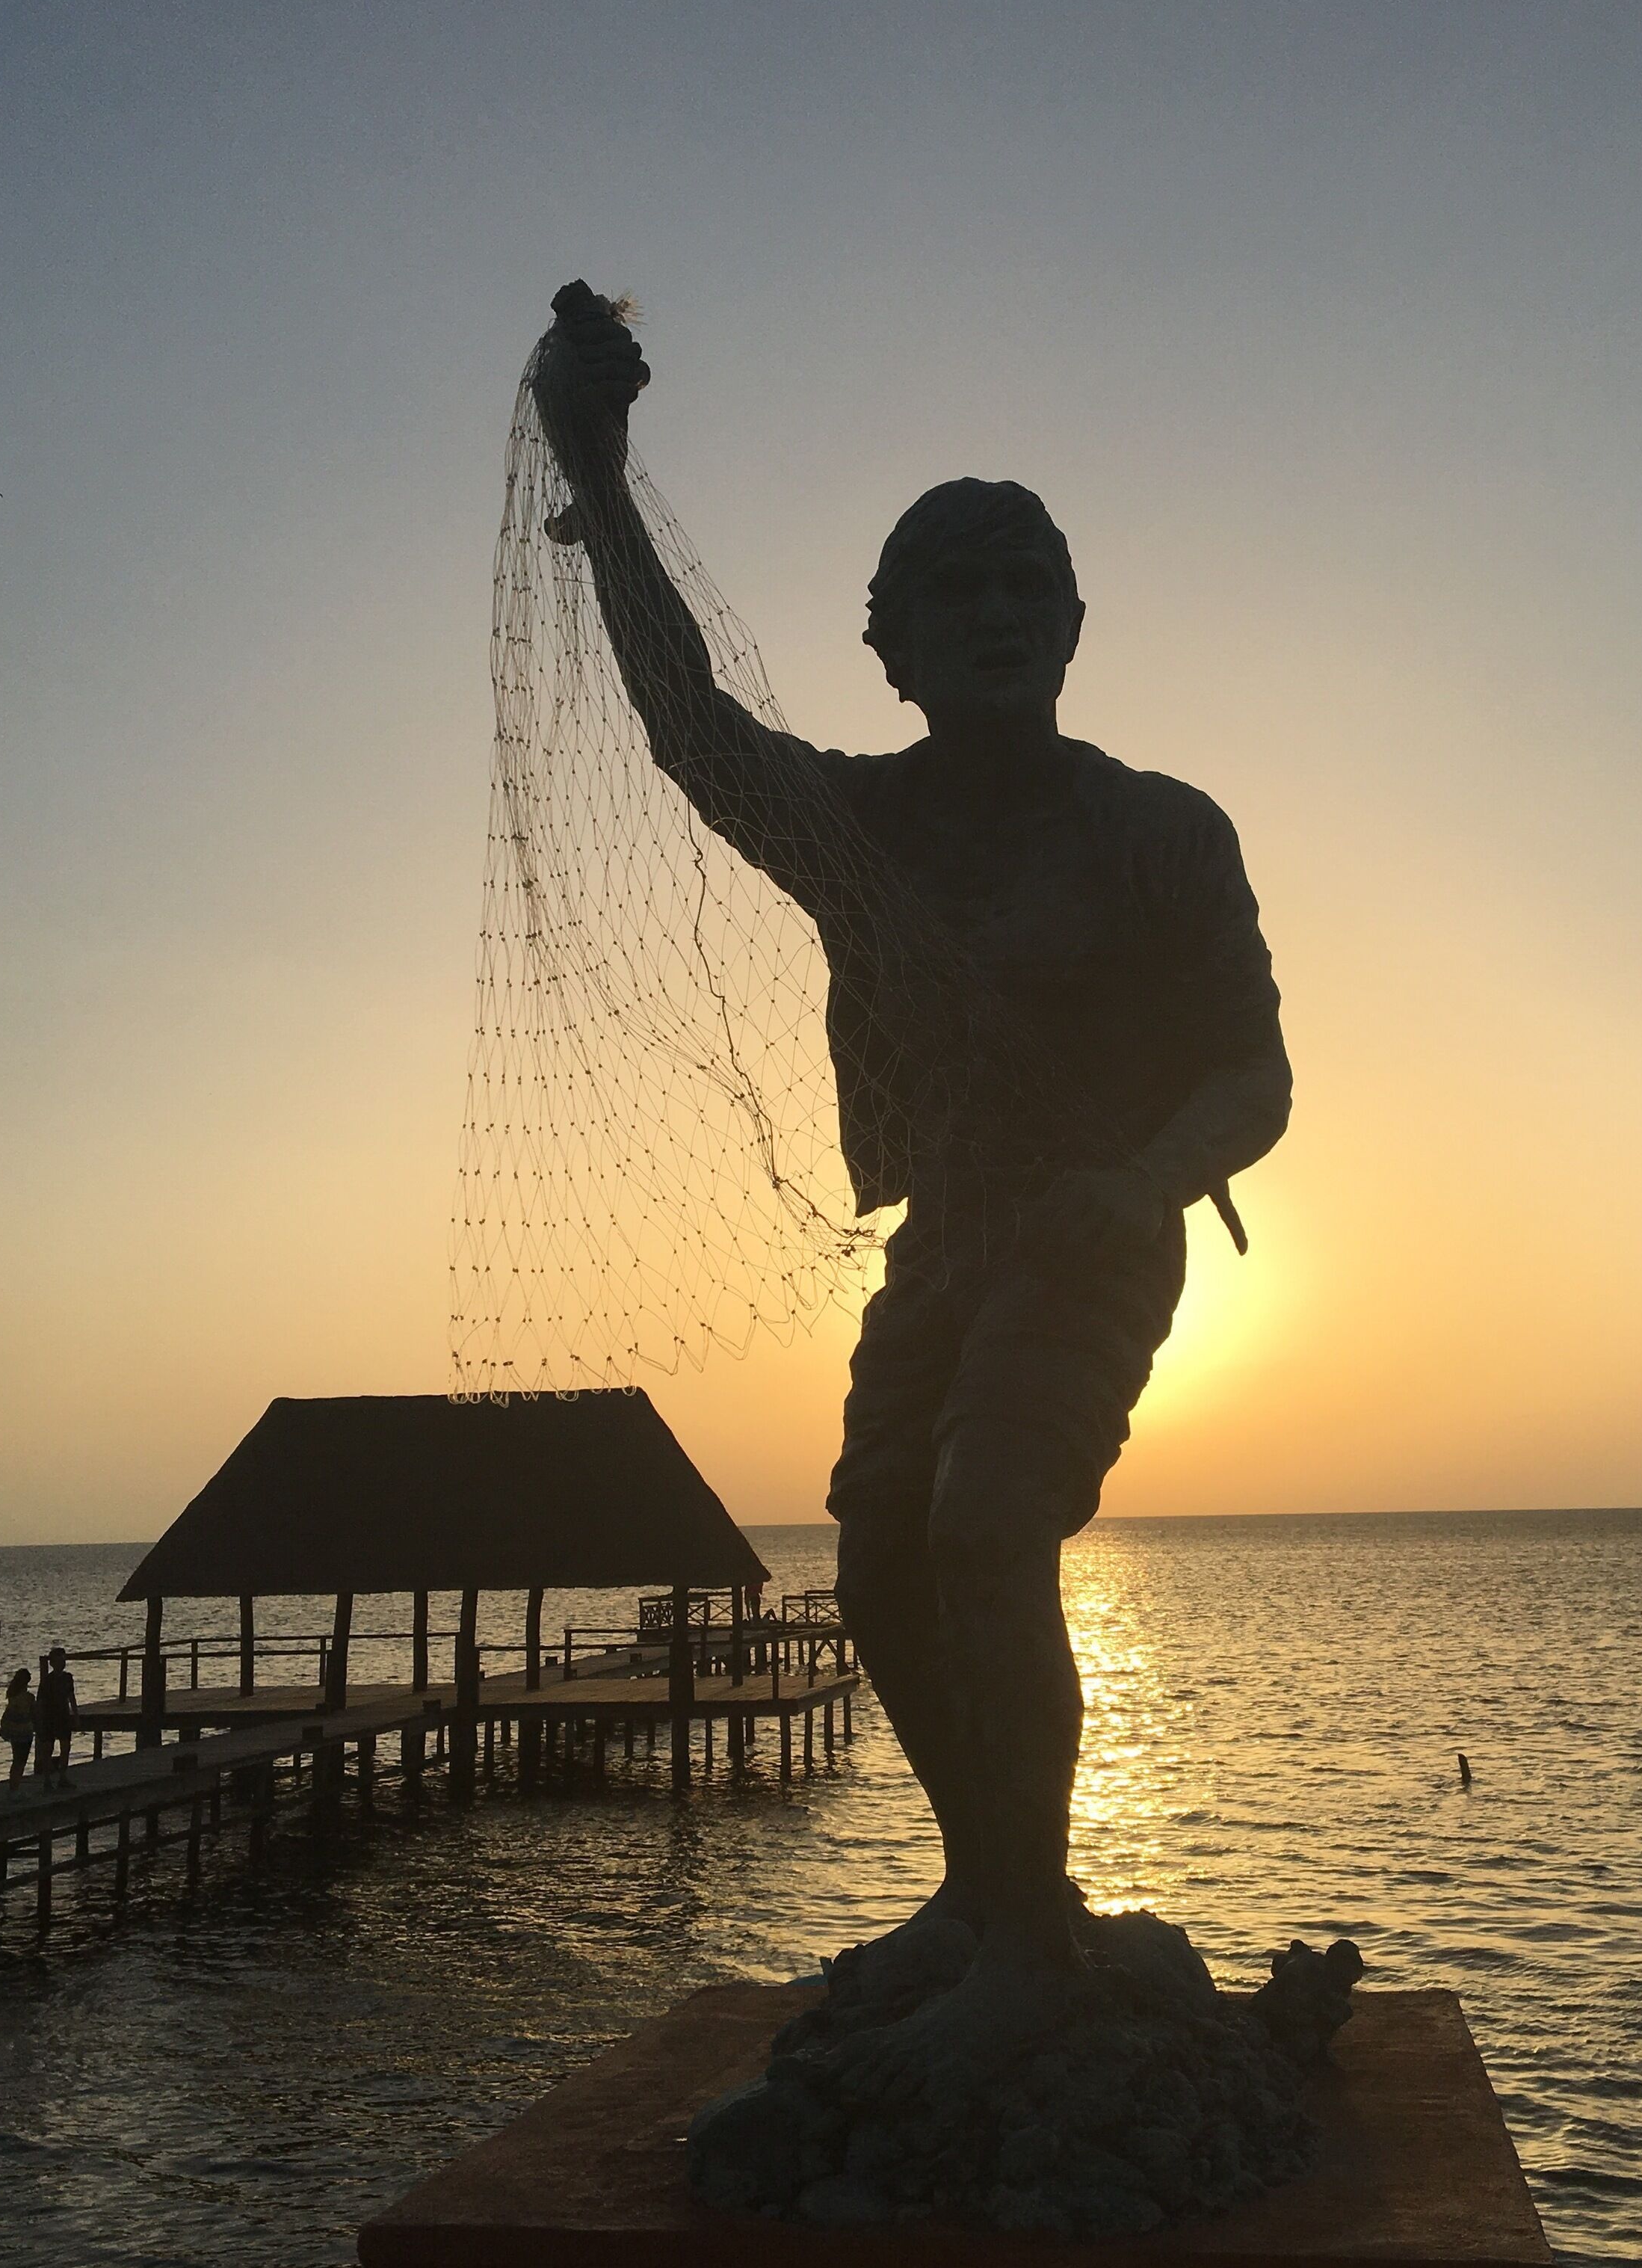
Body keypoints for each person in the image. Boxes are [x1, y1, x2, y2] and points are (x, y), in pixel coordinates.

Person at [534, 286, 1291, 2096]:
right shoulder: (863, 826)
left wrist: (1139, 1181)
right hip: (946, 1237)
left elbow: (1252, 1072)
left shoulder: (1156, 826)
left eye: (1029, 588)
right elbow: (693, 733)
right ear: (892, 646)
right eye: (957, 596)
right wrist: (600, 475)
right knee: (876, 1548)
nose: (999, 618)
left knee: (985, 1515)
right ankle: (985, 1891)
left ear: (1072, 626)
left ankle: (1036, 1945)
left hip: (1096, 1232)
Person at [35, 1645, 77, 1788]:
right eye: (59, 1660)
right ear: (52, 1663)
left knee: (65, 1747)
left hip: (64, 1716)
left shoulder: (68, 1678)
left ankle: (63, 1777)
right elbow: (40, 1701)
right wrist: (39, 1720)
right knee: (48, 1749)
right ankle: (47, 1779)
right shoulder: (47, 1680)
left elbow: (71, 1697)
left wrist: (76, 1714)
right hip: (49, 1717)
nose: (62, 1663)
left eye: (64, 1660)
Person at [0, 1666, 36, 1790]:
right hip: (25, 1732)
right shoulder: (29, 1698)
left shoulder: (12, 1697)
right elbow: (33, 1714)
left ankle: (13, 1787)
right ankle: (15, 1788)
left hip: (15, 1732)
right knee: (21, 1761)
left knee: (16, 1760)